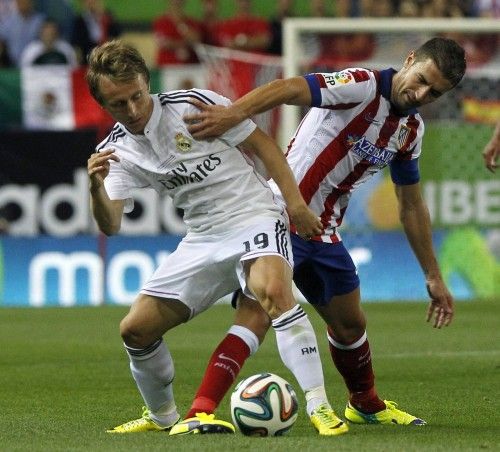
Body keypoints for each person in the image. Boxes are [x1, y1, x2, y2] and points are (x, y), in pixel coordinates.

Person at [173, 36, 466, 434]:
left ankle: (364, 404)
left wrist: (432, 275)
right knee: (256, 312)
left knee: (350, 325)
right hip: (276, 215)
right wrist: (233, 115)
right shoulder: (362, 84)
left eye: (435, 92)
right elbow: (290, 88)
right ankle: (199, 411)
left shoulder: (411, 131)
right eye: (421, 80)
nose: (421, 93)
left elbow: (411, 204)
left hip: (323, 231)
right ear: (410, 59)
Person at [85, 39, 339, 435]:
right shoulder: (116, 151)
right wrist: (95, 189)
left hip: (254, 216)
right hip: (203, 236)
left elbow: (265, 146)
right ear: (103, 104)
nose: (132, 110)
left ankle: (320, 405)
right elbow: (110, 224)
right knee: (134, 329)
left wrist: (295, 205)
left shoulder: (192, 105)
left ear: (146, 82)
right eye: (119, 104)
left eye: (136, 96)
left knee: (272, 290)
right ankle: (162, 416)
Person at [152, 0, 203, 66]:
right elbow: (164, 44)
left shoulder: (191, 22)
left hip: (189, 67)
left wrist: (180, 24)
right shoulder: (160, 22)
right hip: (167, 68)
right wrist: (186, 43)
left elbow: (196, 40)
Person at [71, 0, 121, 65]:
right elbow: (76, 42)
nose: (91, 4)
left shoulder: (107, 17)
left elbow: (116, 35)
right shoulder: (80, 21)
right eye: (87, 2)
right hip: (88, 57)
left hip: (106, 54)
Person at [0, 0, 45, 66]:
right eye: (20, 2)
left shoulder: (41, 21)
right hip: (12, 64)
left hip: (35, 64)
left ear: (31, 3)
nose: (23, 4)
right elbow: (1, 41)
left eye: (26, 2)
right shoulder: (8, 22)